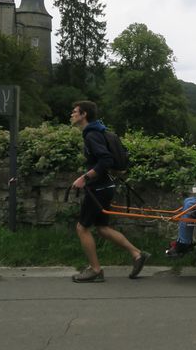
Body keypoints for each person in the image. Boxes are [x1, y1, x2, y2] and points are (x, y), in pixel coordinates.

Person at [69, 101, 150, 283]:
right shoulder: (97, 132)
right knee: (102, 228)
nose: (71, 115)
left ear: (84, 115)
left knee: (82, 228)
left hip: (98, 188)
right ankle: (137, 254)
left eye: (75, 112)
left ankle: (95, 270)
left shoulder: (92, 135)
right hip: (105, 187)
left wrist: (85, 178)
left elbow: (106, 159)